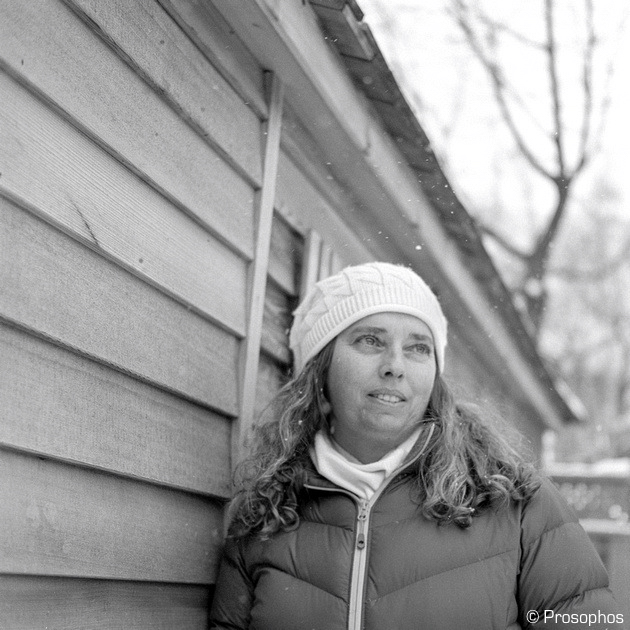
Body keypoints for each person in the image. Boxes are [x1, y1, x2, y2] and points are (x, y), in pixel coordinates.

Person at [210, 262, 622, 630]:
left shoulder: (516, 504)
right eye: (370, 340)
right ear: (320, 370)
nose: (395, 365)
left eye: (418, 347)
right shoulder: (265, 516)